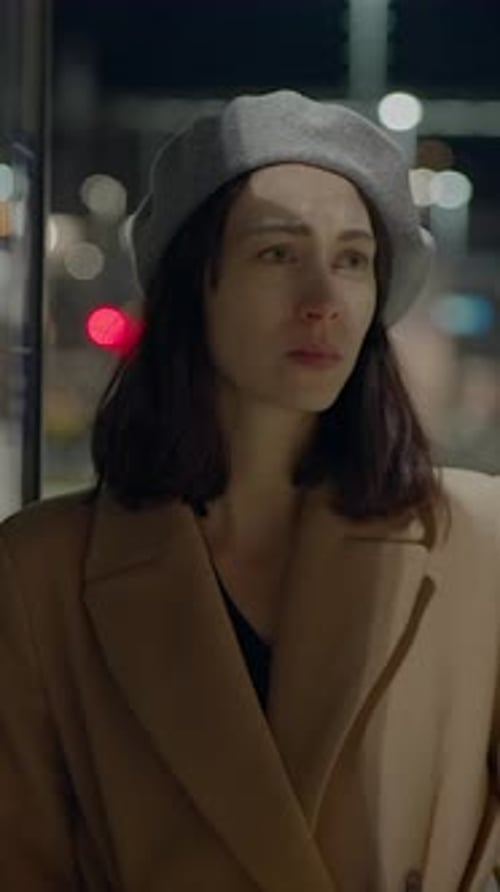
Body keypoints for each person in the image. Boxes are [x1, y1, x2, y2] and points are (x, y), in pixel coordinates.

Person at [0, 89, 499, 892]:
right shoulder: (40, 573)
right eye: (277, 252)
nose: (323, 301)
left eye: (353, 259)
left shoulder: (481, 542)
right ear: (192, 284)